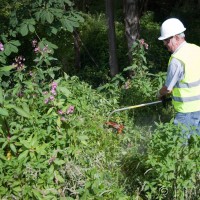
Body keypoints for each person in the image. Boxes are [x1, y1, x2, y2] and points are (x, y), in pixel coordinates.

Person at [157, 18, 200, 137]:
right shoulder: (197, 49)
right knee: (195, 146)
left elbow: (168, 89)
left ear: (176, 37)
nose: (165, 44)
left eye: (166, 40)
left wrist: (159, 94)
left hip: (186, 111)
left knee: (180, 147)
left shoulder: (177, 59)